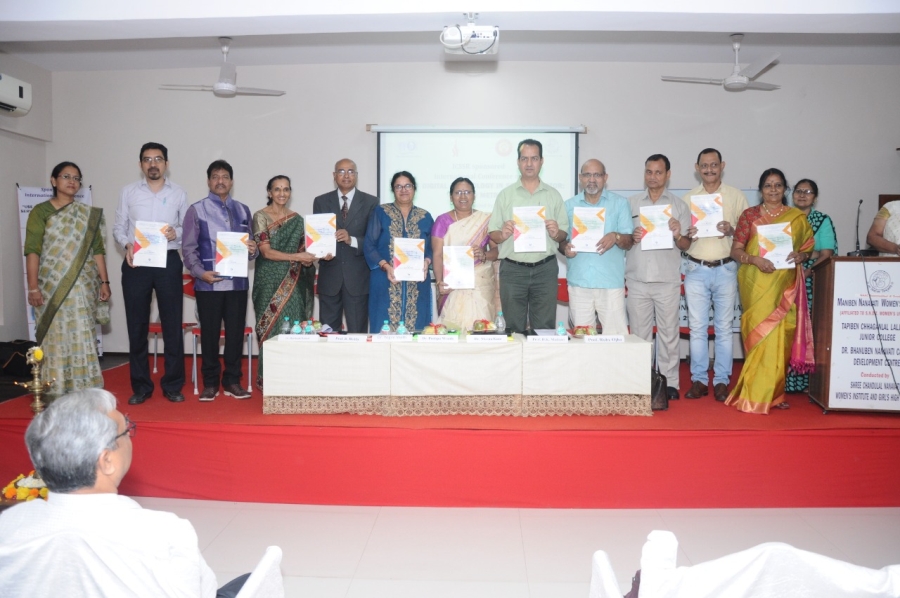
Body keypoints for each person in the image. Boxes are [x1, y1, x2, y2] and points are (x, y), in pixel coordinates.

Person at [0, 389, 248, 597]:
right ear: (106, 461)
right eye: (126, 430)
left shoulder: (9, 524)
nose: (130, 435)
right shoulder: (165, 531)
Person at [726, 168, 814, 414]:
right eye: (768, 185)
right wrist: (754, 260)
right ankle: (754, 393)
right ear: (761, 189)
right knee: (759, 336)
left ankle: (775, 394)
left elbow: (808, 248)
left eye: (778, 185)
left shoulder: (796, 218)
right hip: (756, 283)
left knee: (780, 338)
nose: (773, 190)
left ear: (785, 189)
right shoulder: (749, 216)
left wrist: (801, 256)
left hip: (784, 285)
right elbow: (735, 250)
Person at [24, 161, 111, 398]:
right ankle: (57, 390)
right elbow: (32, 251)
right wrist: (33, 288)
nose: (72, 181)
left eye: (76, 178)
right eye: (66, 176)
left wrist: (105, 282)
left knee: (83, 335)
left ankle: (87, 394)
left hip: (84, 288)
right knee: (56, 339)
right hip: (52, 288)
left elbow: (98, 250)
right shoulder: (40, 212)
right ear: (53, 181)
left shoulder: (88, 215)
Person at [114, 142, 189, 405]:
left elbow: (187, 228)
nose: (153, 164)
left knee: (172, 325)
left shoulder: (179, 193)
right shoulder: (128, 192)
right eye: (147, 159)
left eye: (158, 159)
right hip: (137, 263)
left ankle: (173, 384)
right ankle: (141, 386)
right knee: (137, 326)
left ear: (166, 164)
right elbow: (119, 227)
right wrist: (127, 245)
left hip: (168, 260)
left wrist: (176, 232)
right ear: (140, 164)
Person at [182, 160, 259, 401]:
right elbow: (188, 249)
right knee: (210, 336)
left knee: (235, 335)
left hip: (237, 284)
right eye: (215, 177)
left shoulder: (243, 210)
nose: (220, 181)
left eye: (225, 177)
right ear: (208, 181)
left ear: (232, 181)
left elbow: (252, 248)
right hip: (209, 283)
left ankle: (232, 381)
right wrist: (199, 272)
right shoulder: (197, 210)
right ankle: (210, 383)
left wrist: (253, 250)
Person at [682, 149, 749, 402]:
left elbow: (749, 234)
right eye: (704, 165)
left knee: (724, 329)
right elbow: (681, 240)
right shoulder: (688, 198)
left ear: (722, 165)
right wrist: (688, 234)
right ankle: (699, 380)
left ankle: (722, 381)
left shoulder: (736, 196)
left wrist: (732, 230)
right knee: (697, 329)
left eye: (713, 165)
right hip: (696, 269)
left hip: (726, 268)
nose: (709, 169)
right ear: (697, 168)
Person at [627, 154, 692, 399]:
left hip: (667, 280)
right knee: (639, 336)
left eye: (658, 172)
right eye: (649, 171)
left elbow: (686, 245)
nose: (652, 177)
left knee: (668, 334)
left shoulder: (679, 206)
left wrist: (677, 234)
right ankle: (641, 381)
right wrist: (631, 236)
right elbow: (623, 241)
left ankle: (669, 383)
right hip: (637, 280)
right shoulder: (631, 204)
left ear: (668, 174)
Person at [489, 139, 569, 333]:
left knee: (544, 329)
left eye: (534, 158)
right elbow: (493, 234)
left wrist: (556, 232)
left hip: (545, 270)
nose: (529, 163)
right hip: (513, 270)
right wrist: (503, 233)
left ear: (542, 161)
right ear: (518, 162)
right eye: (524, 158)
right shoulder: (505, 195)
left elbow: (563, 234)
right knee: (513, 329)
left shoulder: (553, 195)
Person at [251, 175, 318, 390]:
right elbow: (266, 252)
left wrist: (312, 258)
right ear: (269, 192)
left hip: (294, 281)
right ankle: (268, 378)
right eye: (277, 189)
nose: (282, 193)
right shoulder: (260, 216)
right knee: (269, 328)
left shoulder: (297, 220)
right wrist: (298, 257)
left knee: (293, 327)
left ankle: (292, 378)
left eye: (286, 189)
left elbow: (304, 252)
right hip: (268, 280)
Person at [559, 159, 634, 334]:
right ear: (580, 178)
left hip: (610, 283)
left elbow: (629, 241)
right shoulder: (568, 206)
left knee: (616, 340)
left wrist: (615, 236)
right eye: (587, 175)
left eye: (597, 175)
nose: (592, 179)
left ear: (605, 177)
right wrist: (565, 249)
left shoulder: (620, 204)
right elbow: (561, 241)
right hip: (580, 283)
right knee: (583, 341)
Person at [313, 159, 379, 333]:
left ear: (356, 175)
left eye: (351, 171)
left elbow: (374, 241)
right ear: (334, 175)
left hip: (358, 279)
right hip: (330, 277)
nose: (346, 175)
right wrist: (319, 252)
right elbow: (317, 236)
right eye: (341, 171)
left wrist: (352, 240)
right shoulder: (321, 201)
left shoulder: (371, 202)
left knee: (357, 333)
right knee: (328, 334)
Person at [364, 171, 434, 332]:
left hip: (417, 283)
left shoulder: (425, 216)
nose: (404, 190)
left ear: (414, 188)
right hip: (385, 280)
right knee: (383, 327)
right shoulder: (381, 212)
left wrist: (427, 261)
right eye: (398, 186)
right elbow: (369, 245)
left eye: (408, 186)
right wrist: (386, 266)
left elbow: (432, 248)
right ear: (393, 190)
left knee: (417, 330)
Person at [785, 178, 836, 393]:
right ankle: (781, 381)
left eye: (807, 192)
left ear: (815, 197)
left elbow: (826, 254)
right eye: (798, 191)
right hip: (783, 278)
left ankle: (806, 382)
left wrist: (805, 272)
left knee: (807, 330)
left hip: (810, 283)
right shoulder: (784, 217)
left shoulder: (821, 220)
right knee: (785, 328)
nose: (802, 195)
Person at [432, 177, 498, 329]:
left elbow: (497, 251)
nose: (463, 196)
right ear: (451, 197)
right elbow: (437, 255)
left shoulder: (486, 220)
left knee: (480, 329)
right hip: (451, 286)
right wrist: (439, 282)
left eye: (467, 192)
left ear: (474, 196)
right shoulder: (442, 221)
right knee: (452, 330)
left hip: (480, 285)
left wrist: (484, 255)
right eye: (458, 192)